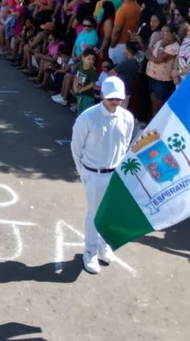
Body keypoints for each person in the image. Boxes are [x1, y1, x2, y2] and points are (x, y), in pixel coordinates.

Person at [70, 76, 135, 275]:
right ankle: (89, 251)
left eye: (119, 99)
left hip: (115, 173)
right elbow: (76, 147)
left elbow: (126, 144)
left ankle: (103, 245)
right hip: (93, 174)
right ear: (103, 96)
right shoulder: (88, 118)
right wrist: (84, 173)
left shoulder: (127, 118)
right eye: (112, 99)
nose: (116, 103)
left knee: (110, 212)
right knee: (94, 214)